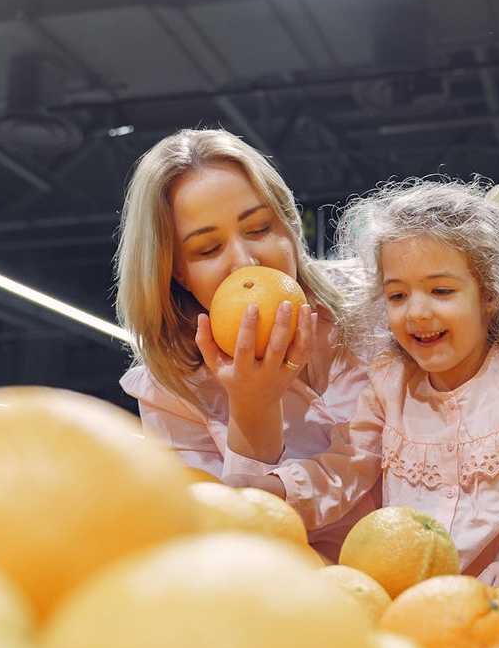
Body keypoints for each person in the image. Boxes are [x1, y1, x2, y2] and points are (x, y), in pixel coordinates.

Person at [259, 179, 499, 596]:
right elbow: (342, 471)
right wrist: (271, 488)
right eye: (397, 295)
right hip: (421, 616)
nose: (416, 311)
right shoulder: (387, 384)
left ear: (489, 295)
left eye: (441, 291)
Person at [114, 128, 377, 561]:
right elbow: (222, 542)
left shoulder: (377, 301)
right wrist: (253, 410)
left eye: (259, 228)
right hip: (299, 600)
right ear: (175, 271)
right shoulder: (170, 390)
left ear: (289, 225)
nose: (245, 260)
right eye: (207, 248)